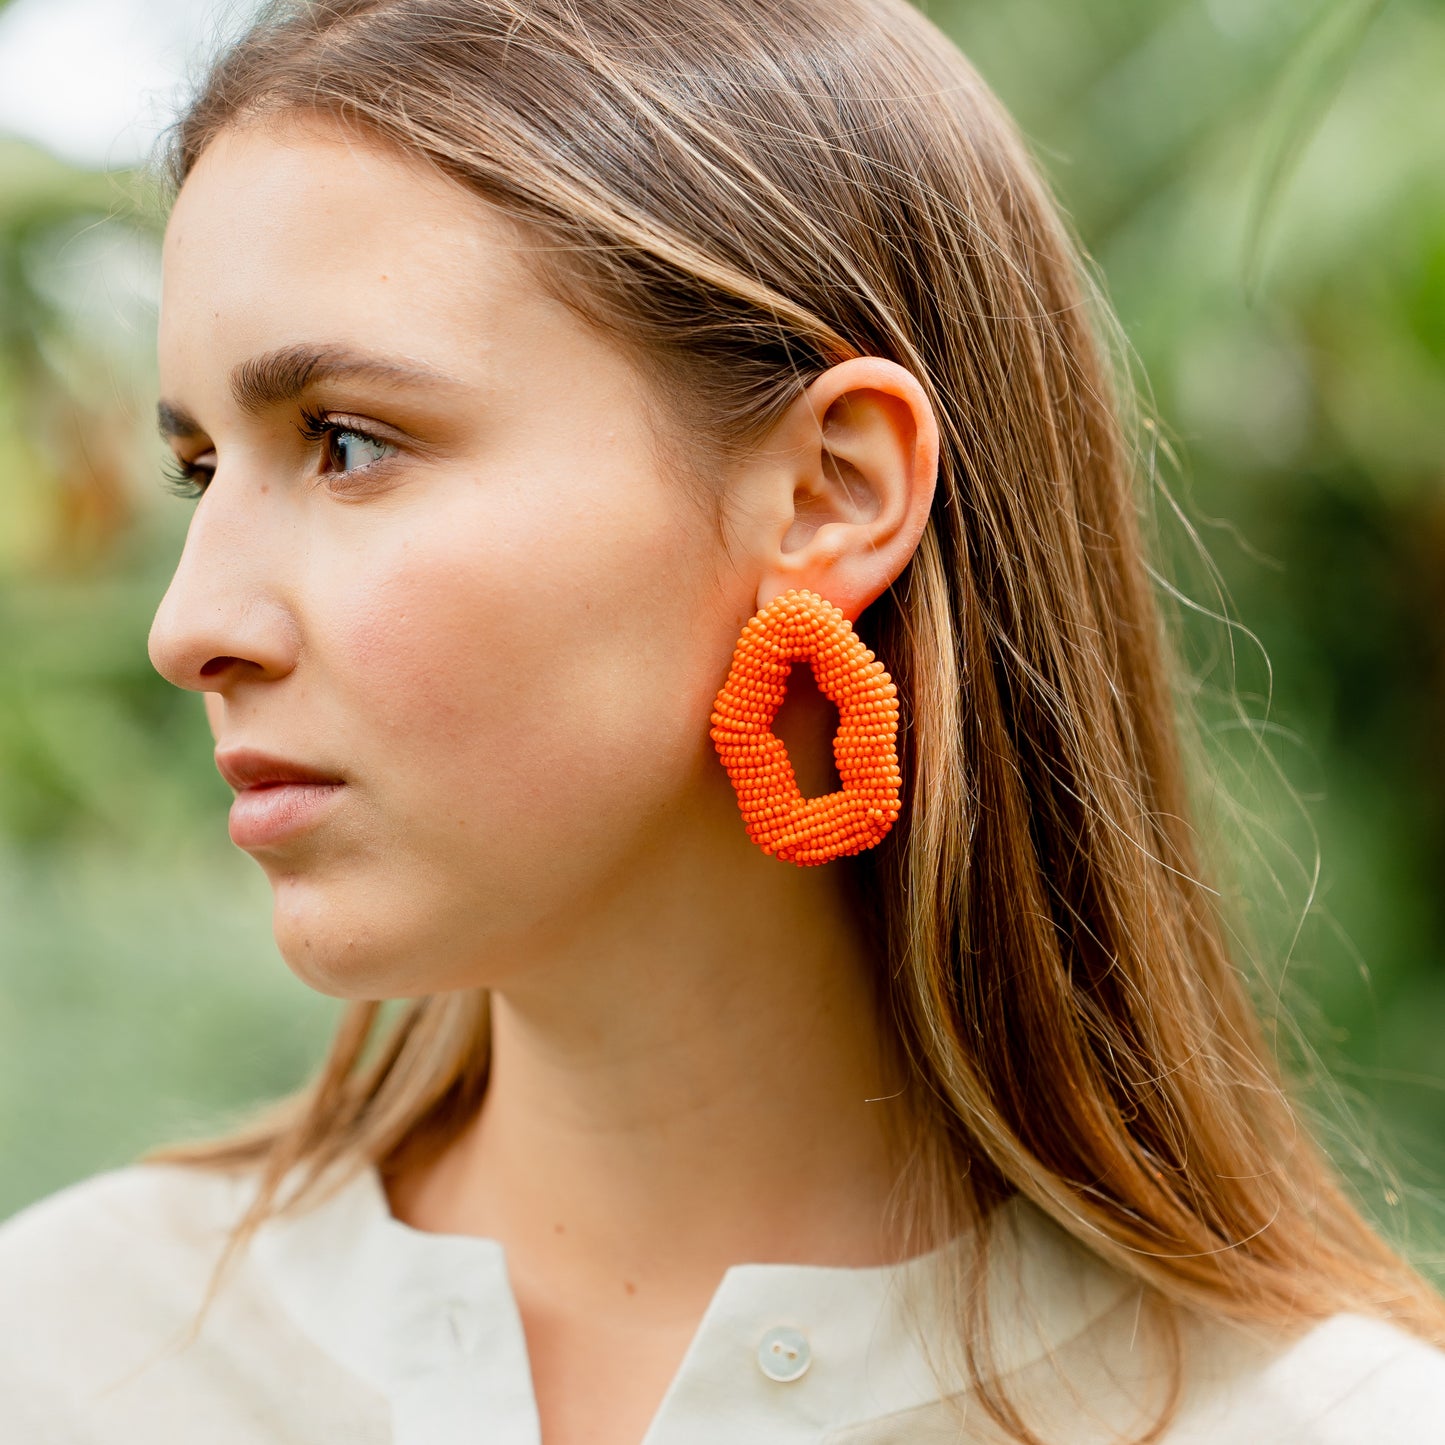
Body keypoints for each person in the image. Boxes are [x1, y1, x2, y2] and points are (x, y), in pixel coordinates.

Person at [3, 0, 1444, 1440]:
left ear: (830, 492)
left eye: (347, 443)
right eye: (202, 466)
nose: (187, 625)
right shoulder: (74, 1352)